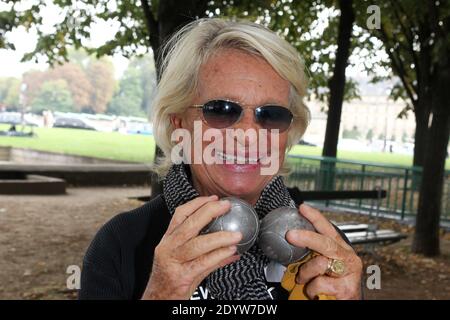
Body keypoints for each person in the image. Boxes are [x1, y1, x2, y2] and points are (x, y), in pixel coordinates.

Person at [79, 18, 362, 300]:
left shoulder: (324, 248)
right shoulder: (122, 243)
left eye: (271, 115)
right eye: (222, 110)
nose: (249, 135)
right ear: (179, 123)